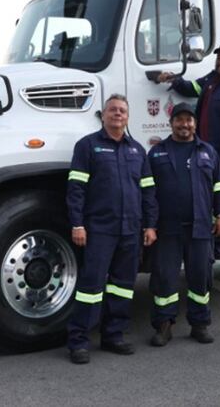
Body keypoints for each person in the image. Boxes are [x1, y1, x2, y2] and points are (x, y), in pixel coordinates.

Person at [66, 94, 158, 364]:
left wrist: (151, 225)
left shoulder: (137, 151)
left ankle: (113, 335)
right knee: (90, 287)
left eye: (122, 111)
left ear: (128, 118)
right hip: (99, 230)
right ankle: (79, 341)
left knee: (123, 286)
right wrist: (77, 224)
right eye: (113, 110)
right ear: (103, 115)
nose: (118, 114)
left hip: (131, 230)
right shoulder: (87, 146)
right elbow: (76, 190)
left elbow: (149, 192)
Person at [158, 41, 220, 259]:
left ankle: (218, 249)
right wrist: (173, 79)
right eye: (219, 57)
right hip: (219, 151)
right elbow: (194, 88)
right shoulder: (214, 79)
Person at [146, 103, 220, 347]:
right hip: (167, 228)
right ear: (171, 123)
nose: (185, 124)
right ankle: (164, 325)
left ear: (194, 124)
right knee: (164, 278)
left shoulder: (208, 152)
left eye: (189, 120)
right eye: (179, 120)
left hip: (200, 227)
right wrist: (150, 224)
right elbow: (148, 194)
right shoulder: (157, 153)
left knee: (200, 278)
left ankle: (199, 324)